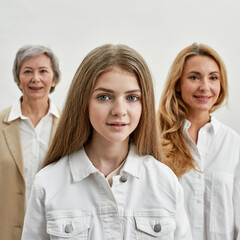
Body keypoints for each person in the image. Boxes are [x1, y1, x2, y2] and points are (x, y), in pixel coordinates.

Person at [21, 44, 192, 239]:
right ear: (83, 101)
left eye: (132, 97)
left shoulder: (165, 182)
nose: (119, 110)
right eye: (104, 97)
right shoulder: (48, 183)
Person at [158, 43, 240, 239]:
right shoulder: (155, 138)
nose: (205, 87)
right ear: (177, 83)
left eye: (213, 78)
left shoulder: (233, 143)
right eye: (194, 77)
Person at [0, 45, 61, 240]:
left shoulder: (69, 126)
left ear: (54, 79)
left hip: (54, 230)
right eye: (27, 71)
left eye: (43, 71)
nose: (36, 78)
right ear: (18, 80)